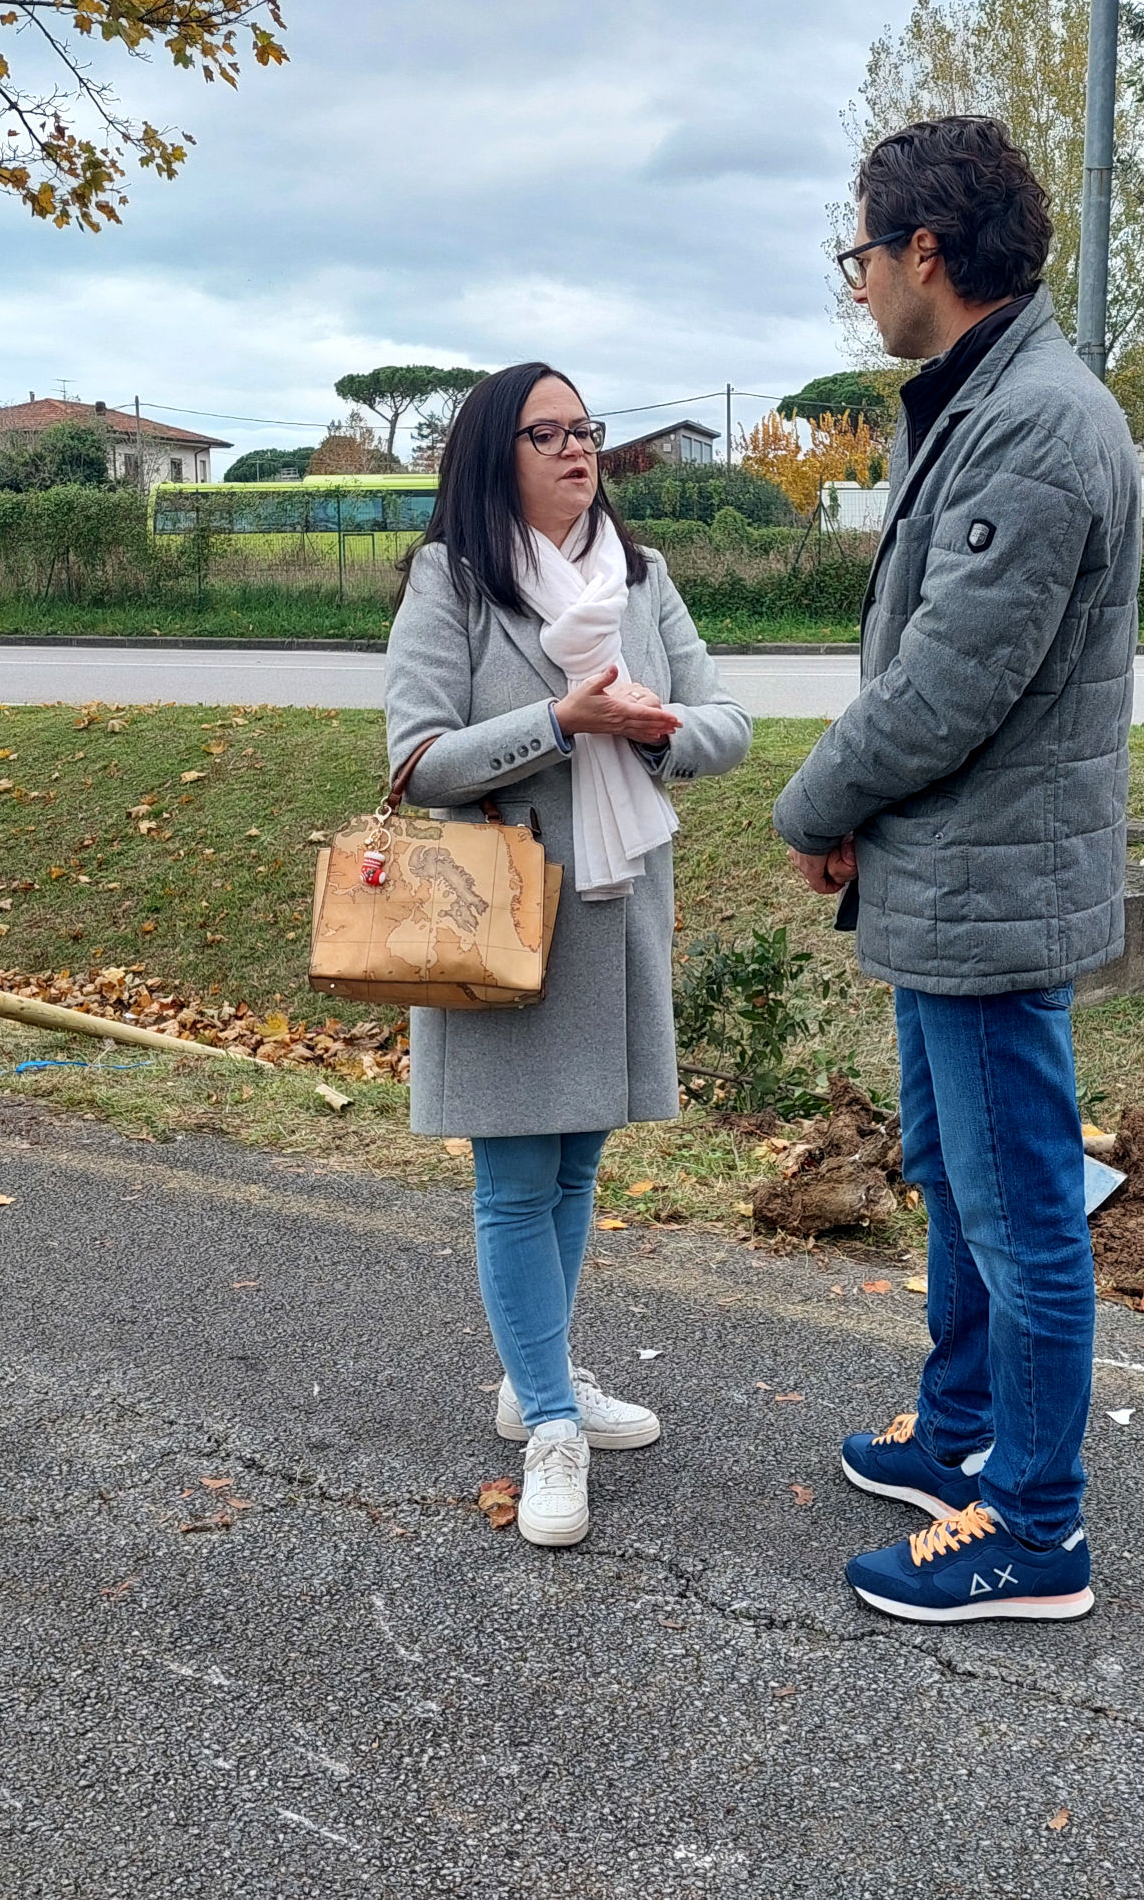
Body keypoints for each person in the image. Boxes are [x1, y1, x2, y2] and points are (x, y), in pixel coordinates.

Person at [774, 116, 1142, 1623]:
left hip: (990, 893)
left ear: (928, 252)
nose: (856, 282)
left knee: (1023, 1207)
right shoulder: (980, 398)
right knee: (956, 1174)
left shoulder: (1039, 423)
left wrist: (814, 801)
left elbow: (946, 681)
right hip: (953, 874)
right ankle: (963, 1429)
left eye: (861, 253)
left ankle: (1036, 1524)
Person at [385, 362, 751, 1548]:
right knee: (511, 1176)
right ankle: (547, 1417)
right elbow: (416, 761)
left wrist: (656, 730)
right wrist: (557, 722)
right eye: (545, 433)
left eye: (585, 429)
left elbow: (726, 723)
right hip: (500, 911)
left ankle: (531, 1375)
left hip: (614, 901)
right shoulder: (450, 580)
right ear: (496, 453)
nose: (574, 449)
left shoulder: (641, 576)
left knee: (578, 1162)